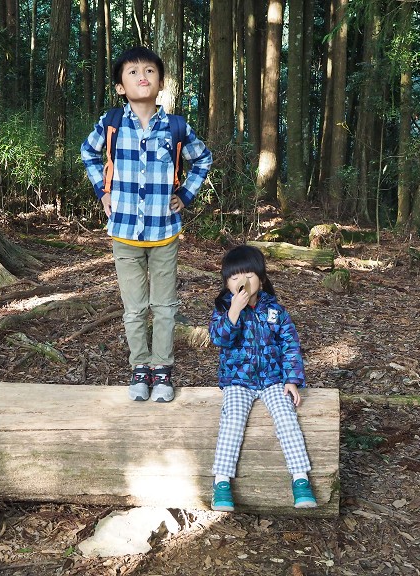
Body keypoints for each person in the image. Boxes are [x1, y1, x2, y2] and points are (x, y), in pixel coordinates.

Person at [81, 46, 212, 402]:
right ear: (120, 86)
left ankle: (163, 373)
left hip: (164, 231)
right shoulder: (112, 123)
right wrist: (102, 190)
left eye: (150, 71)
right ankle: (140, 369)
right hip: (123, 232)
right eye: (133, 72)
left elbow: (202, 159)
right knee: (135, 308)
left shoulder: (175, 127)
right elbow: (88, 152)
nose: (143, 76)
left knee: (165, 306)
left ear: (161, 82)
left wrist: (185, 195)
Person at [208, 245, 317, 510]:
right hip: (237, 380)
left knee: (286, 418)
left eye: (248, 275)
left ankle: (300, 479)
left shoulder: (275, 311)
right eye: (234, 277)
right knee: (232, 421)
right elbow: (218, 338)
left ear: (262, 278)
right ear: (227, 283)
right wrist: (234, 311)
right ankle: (221, 483)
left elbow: (290, 345)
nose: (241, 281)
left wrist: (291, 379)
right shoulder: (224, 309)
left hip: (272, 379)